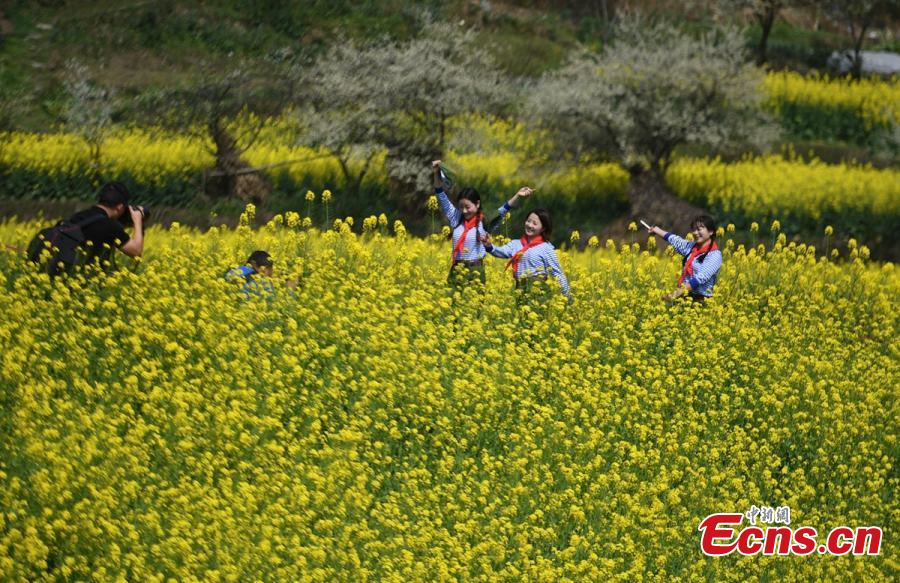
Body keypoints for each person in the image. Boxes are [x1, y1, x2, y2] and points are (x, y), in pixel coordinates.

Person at [432, 159, 532, 285]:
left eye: (467, 207)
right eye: (461, 207)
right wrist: (436, 172)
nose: (464, 211)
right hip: (456, 269)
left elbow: (502, 211)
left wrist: (518, 195)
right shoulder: (456, 217)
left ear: (477, 204)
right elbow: (440, 194)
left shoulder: (484, 222)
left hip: (475, 272)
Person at [481, 208, 570, 298]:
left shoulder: (546, 248)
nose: (530, 225)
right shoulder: (515, 244)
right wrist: (489, 246)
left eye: (534, 223)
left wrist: (567, 298)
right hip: (519, 288)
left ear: (543, 228)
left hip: (538, 291)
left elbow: (557, 274)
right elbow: (499, 252)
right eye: (528, 221)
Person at [64, 181, 145, 268]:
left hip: (66, 272)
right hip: (90, 277)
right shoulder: (111, 226)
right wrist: (137, 221)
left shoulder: (77, 217)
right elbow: (136, 251)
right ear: (120, 207)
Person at [647, 214, 722, 302]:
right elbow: (675, 240)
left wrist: (675, 294)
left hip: (700, 300)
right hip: (683, 297)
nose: (695, 233)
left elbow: (699, 278)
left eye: (699, 229)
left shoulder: (715, 255)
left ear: (711, 231)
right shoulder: (691, 247)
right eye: (693, 229)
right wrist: (656, 230)